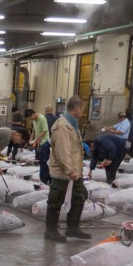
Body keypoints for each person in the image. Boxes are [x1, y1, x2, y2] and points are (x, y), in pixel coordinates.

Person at [45, 95, 89, 243]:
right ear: (76, 109)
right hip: (63, 172)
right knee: (56, 199)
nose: (83, 111)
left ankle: (73, 228)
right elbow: (62, 151)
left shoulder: (72, 124)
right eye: (82, 108)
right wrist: (70, 170)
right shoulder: (63, 126)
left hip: (75, 171)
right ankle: (50, 231)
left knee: (80, 195)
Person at [26, 108, 50, 184]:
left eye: (30, 118)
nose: (30, 119)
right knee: (40, 161)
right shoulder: (34, 120)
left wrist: (38, 138)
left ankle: (46, 179)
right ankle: (42, 178)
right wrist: (31, 138)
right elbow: (34, 130)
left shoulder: (42, 119)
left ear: (33, 114)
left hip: (44, 142)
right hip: (38, 143)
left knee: (44, 161)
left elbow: (45, 130)